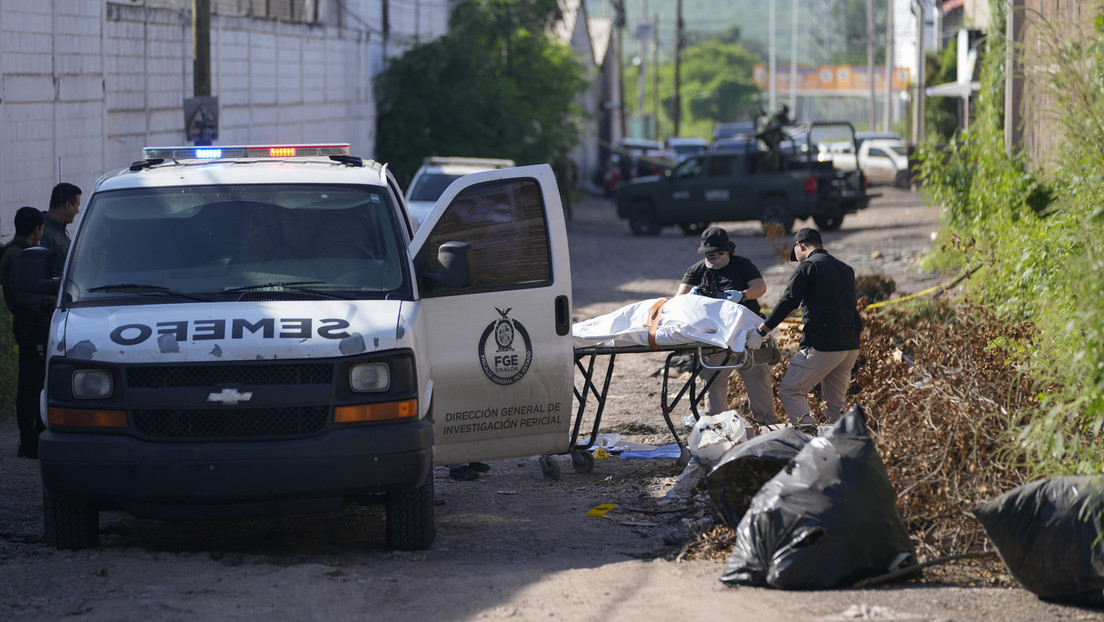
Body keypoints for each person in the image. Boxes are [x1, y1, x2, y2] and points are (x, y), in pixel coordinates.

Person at [756, 228, 862, 430]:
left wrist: (762, 331)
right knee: (835, 407)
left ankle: (810, 440)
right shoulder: (845, 268)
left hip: (823, 344)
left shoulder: (808, 267)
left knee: (790, 391)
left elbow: (788, 302)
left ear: (800, 246)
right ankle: (839, 450)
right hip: (850, 345)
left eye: (796, 254)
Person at [676, 226, 778, 424]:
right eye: (708, 254)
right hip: (713, 336)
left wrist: (743, 295)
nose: (712, 258)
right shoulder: (697, 270)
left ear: (728, 251)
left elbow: (760, 287)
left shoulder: (742, 265)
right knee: (713, 382)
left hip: (747, 333)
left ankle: (767, 424)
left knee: (758, 378)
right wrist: (691, 296)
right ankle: (717, 427)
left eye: (717, 254)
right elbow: (678, 298)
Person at [1, 207, 56, 458]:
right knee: (30, 385)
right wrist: (47, 303)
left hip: (32, 323)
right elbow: (21, 295)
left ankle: (34, 436)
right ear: (37, 229)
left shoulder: (21, 253)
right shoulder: (17, 255)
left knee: (35, 383)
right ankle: (28, 440)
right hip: (29, 324)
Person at [41, 182, 82, 277]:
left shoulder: (60, 230)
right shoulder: (43, 233)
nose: (78, 211)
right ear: (68, 205)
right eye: (77, 206)